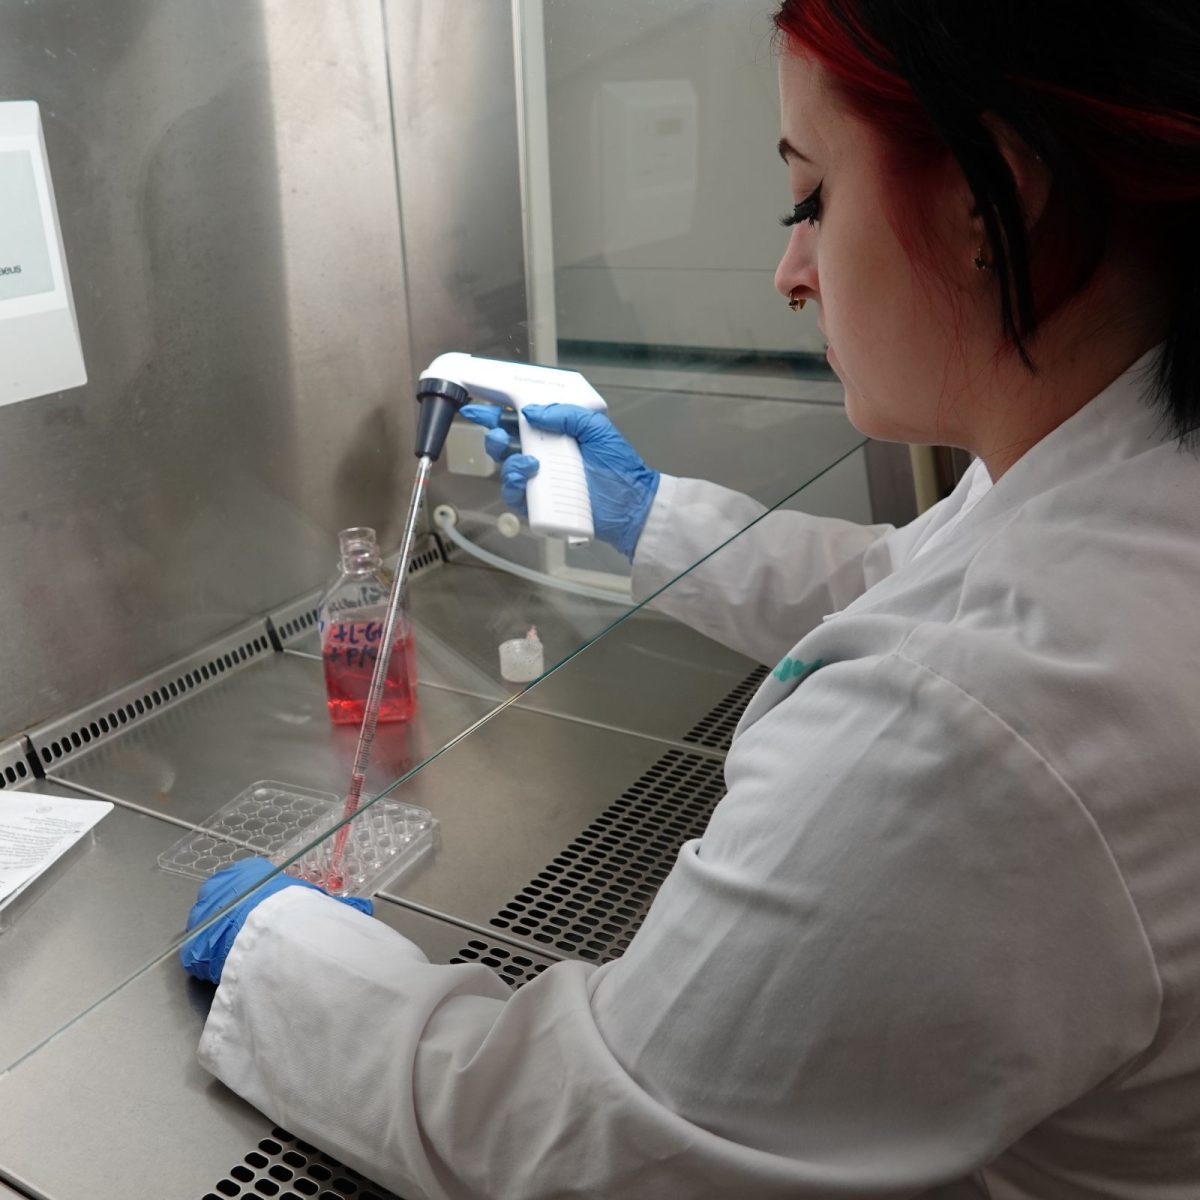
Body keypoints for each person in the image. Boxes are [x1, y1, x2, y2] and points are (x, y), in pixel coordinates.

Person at [182, 2, 1200, 1196]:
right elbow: (913, 583)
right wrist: (642, 510)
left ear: (997, 204)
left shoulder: (974, 730)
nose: (789, 272)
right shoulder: (1128, 481)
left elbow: (588, 1143)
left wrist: (287, 954)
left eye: (810, 199)